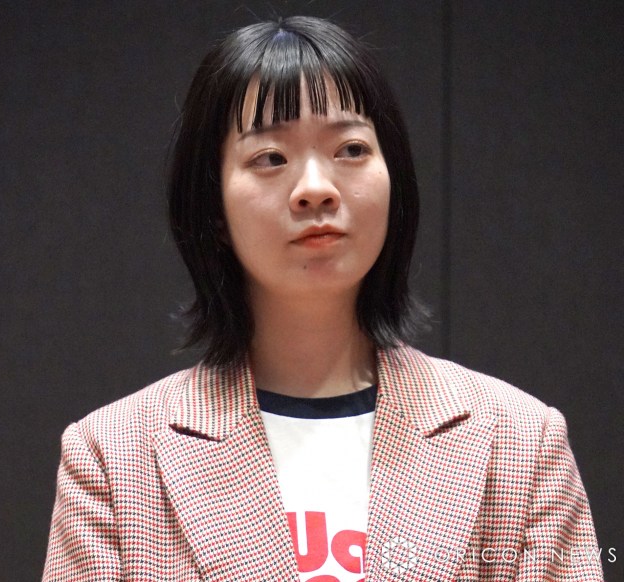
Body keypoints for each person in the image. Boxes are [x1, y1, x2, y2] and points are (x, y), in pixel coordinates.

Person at [43, 16, 603, 582]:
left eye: (351, 149)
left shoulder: (519, 441)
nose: (316, 188)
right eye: (270, 158)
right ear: (212, 208)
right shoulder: (114, 457)